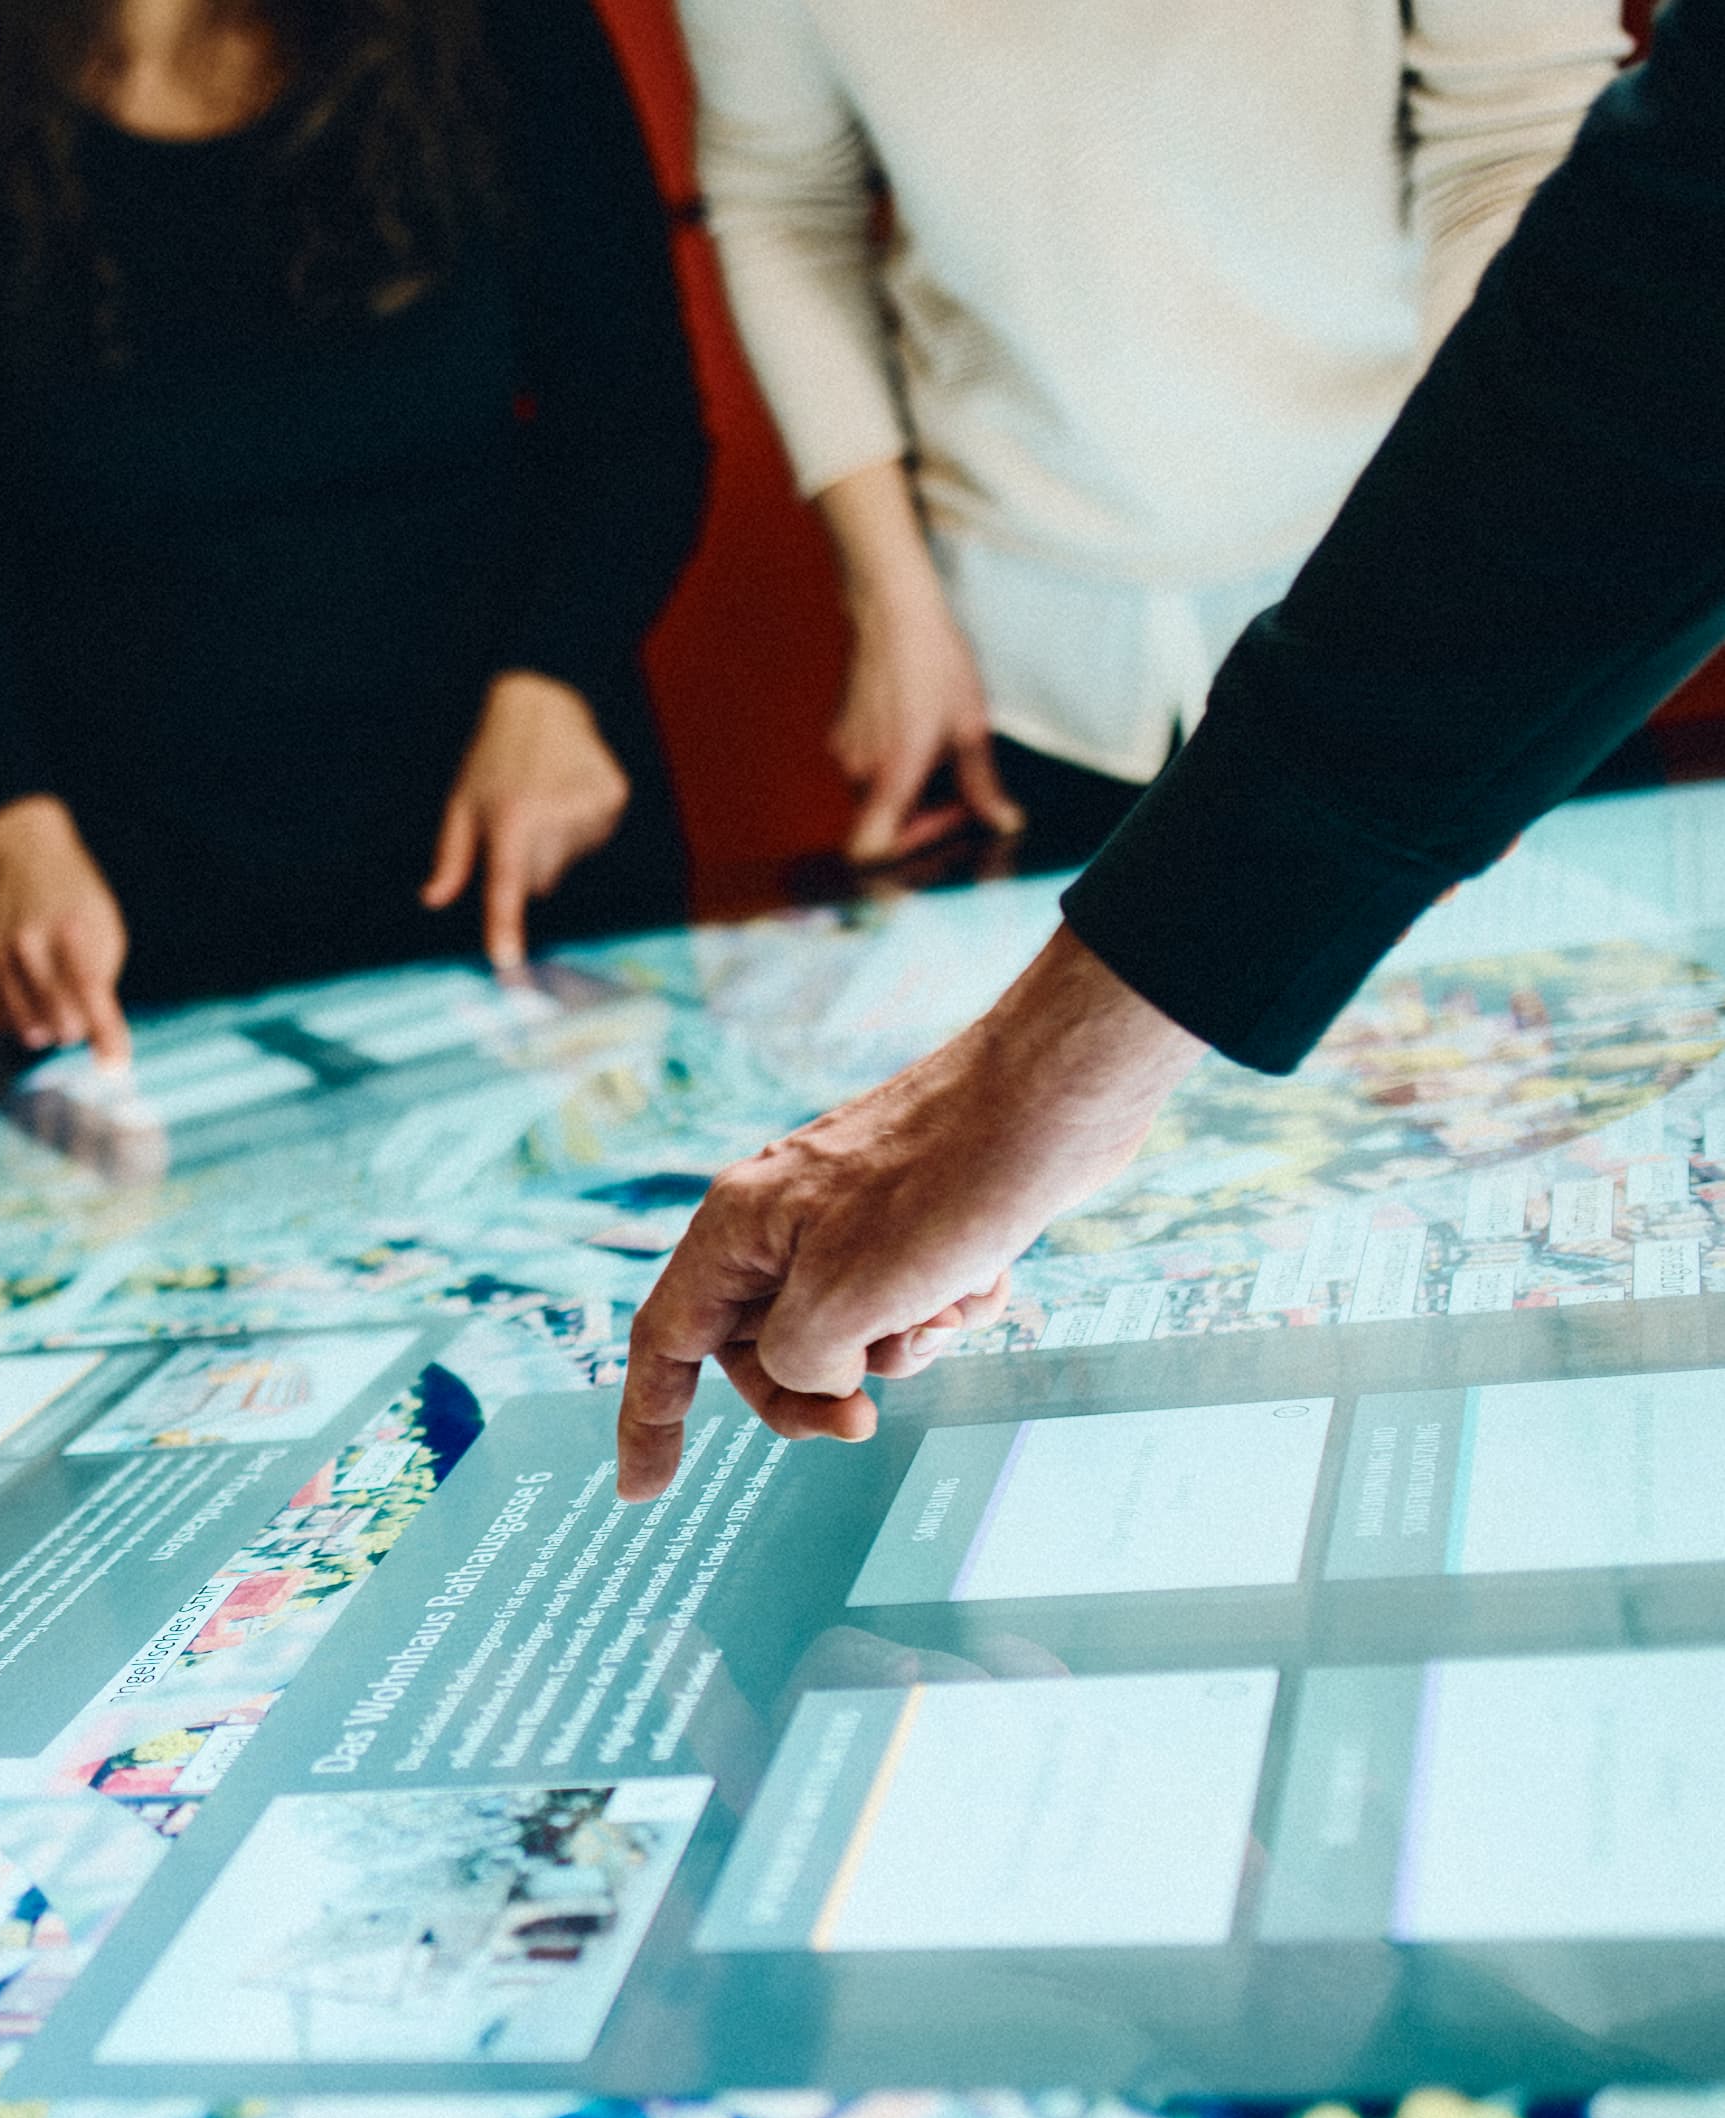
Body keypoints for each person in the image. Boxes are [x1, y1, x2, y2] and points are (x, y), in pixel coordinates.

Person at [615, 0, 1725, 1504]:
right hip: (1074, 643)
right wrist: (890, 586)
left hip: (1433, 609)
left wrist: (1427, 572)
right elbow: (779, 190)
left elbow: (1616, 251)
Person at [0, 0, 710, 1065]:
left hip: (525, 867)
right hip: (155, 930)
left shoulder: (499, 26)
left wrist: (553, 682)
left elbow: (633, 429)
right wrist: (11, 828)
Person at [681, 0, 1625, 871]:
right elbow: (784, 194)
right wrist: (887, 596)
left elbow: (1515, 129)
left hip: (1433, 574)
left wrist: (1471, 545)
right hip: (1023, 650)